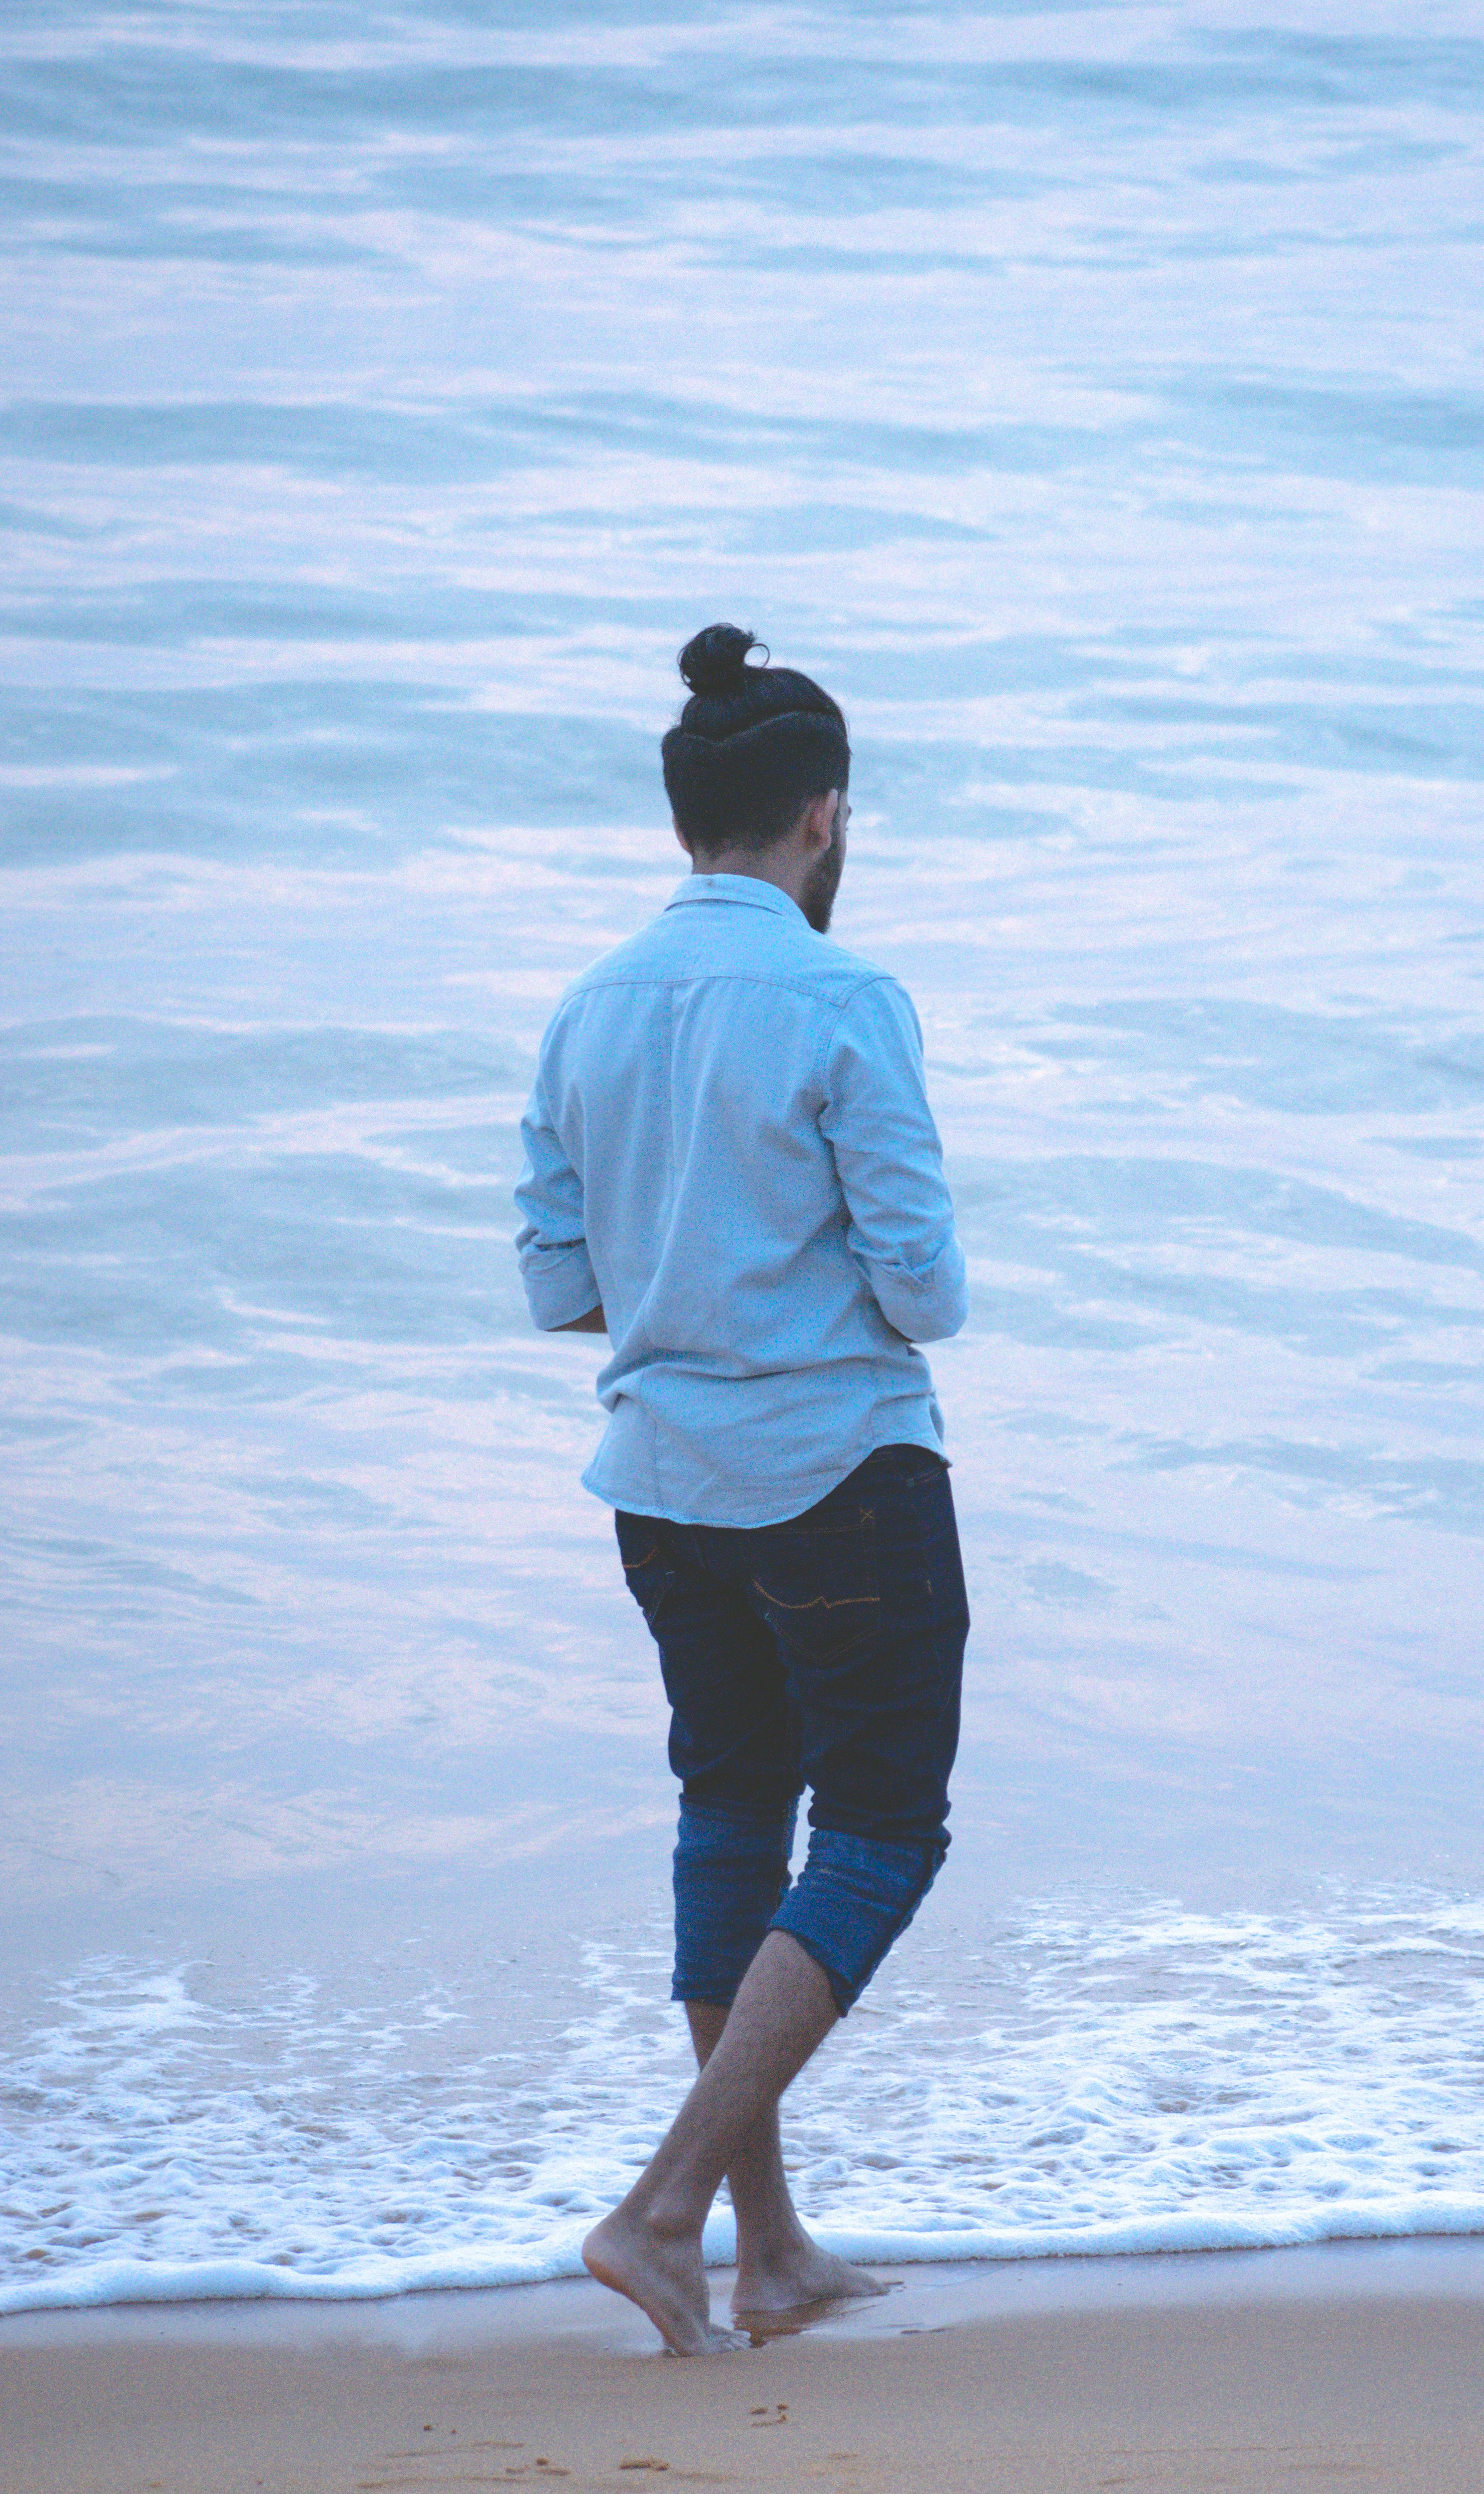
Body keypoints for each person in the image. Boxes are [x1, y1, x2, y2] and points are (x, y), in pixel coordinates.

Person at [513, 623, 970, 2354]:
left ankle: (767, 2253)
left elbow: (563, 1287)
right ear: (825, 818)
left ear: (687, 819)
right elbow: (921, 1287)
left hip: (665, 1487)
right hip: (841, 1473)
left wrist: (689, 1276)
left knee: (733, 1815)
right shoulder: (845, 999)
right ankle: (660, 2213)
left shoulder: (589, 1003)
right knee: (877, 1836)